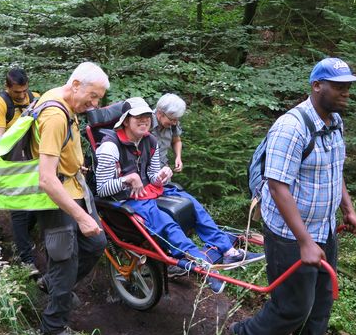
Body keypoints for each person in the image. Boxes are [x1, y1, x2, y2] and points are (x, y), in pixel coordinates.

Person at [230, 58, 356, 335]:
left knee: (319, 307)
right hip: (290, 236)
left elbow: (334, 169)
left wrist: (348, 209)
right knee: (292, 308)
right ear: (317, 86)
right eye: (339, 87)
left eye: (348, 87)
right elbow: (277, 186)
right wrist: (304, 241)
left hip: (324, 230)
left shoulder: (335, 122)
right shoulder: (291, 127)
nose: (346, 93)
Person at [95, 97, 257, 294]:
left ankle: (228, 250)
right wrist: (126, 179)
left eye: (146, 116)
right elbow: (101, 189)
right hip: (125, 199)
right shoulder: (110, 147)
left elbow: (153, 175)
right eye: (138, 117)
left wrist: (162, 175)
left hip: (149, 191)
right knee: (166, 223)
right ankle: (201, 266)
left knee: (193, 205)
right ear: (126, 120)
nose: (144, 120)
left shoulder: (149, 140)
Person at [31, 62, 109, 335]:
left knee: (96, 244)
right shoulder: (54, 114)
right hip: (56, 197)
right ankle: (53, 329)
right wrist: (81, 217)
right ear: (76, 84)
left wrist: (76, 165)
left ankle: (52, 284)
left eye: (98, 98)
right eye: (93, 96)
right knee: (66, 260)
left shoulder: (66, 102)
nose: (94, 104)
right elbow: (46, 180)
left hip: (74, 186)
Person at [152, 93, 264, 279]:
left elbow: (176, 138)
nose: (174, 123)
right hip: (150, 183)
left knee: (195, 207)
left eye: (176, 120)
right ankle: (188, 259)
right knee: (169, 219)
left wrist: (178, 156)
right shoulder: (143, 126)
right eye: (171, 120)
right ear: (159, 113)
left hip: (164, 181)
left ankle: (228, 252)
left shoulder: (171, 122)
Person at [0, 68, 40, 272]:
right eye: (17, 92)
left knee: (36, 206)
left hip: (34, 162)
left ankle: (22, 239)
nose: (21, 95)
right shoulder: (0, 103)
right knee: (19, 211)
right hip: (12, 164)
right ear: (7, 87)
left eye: (24, 91)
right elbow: (0, 140)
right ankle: (25, 258)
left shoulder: (36, 98)